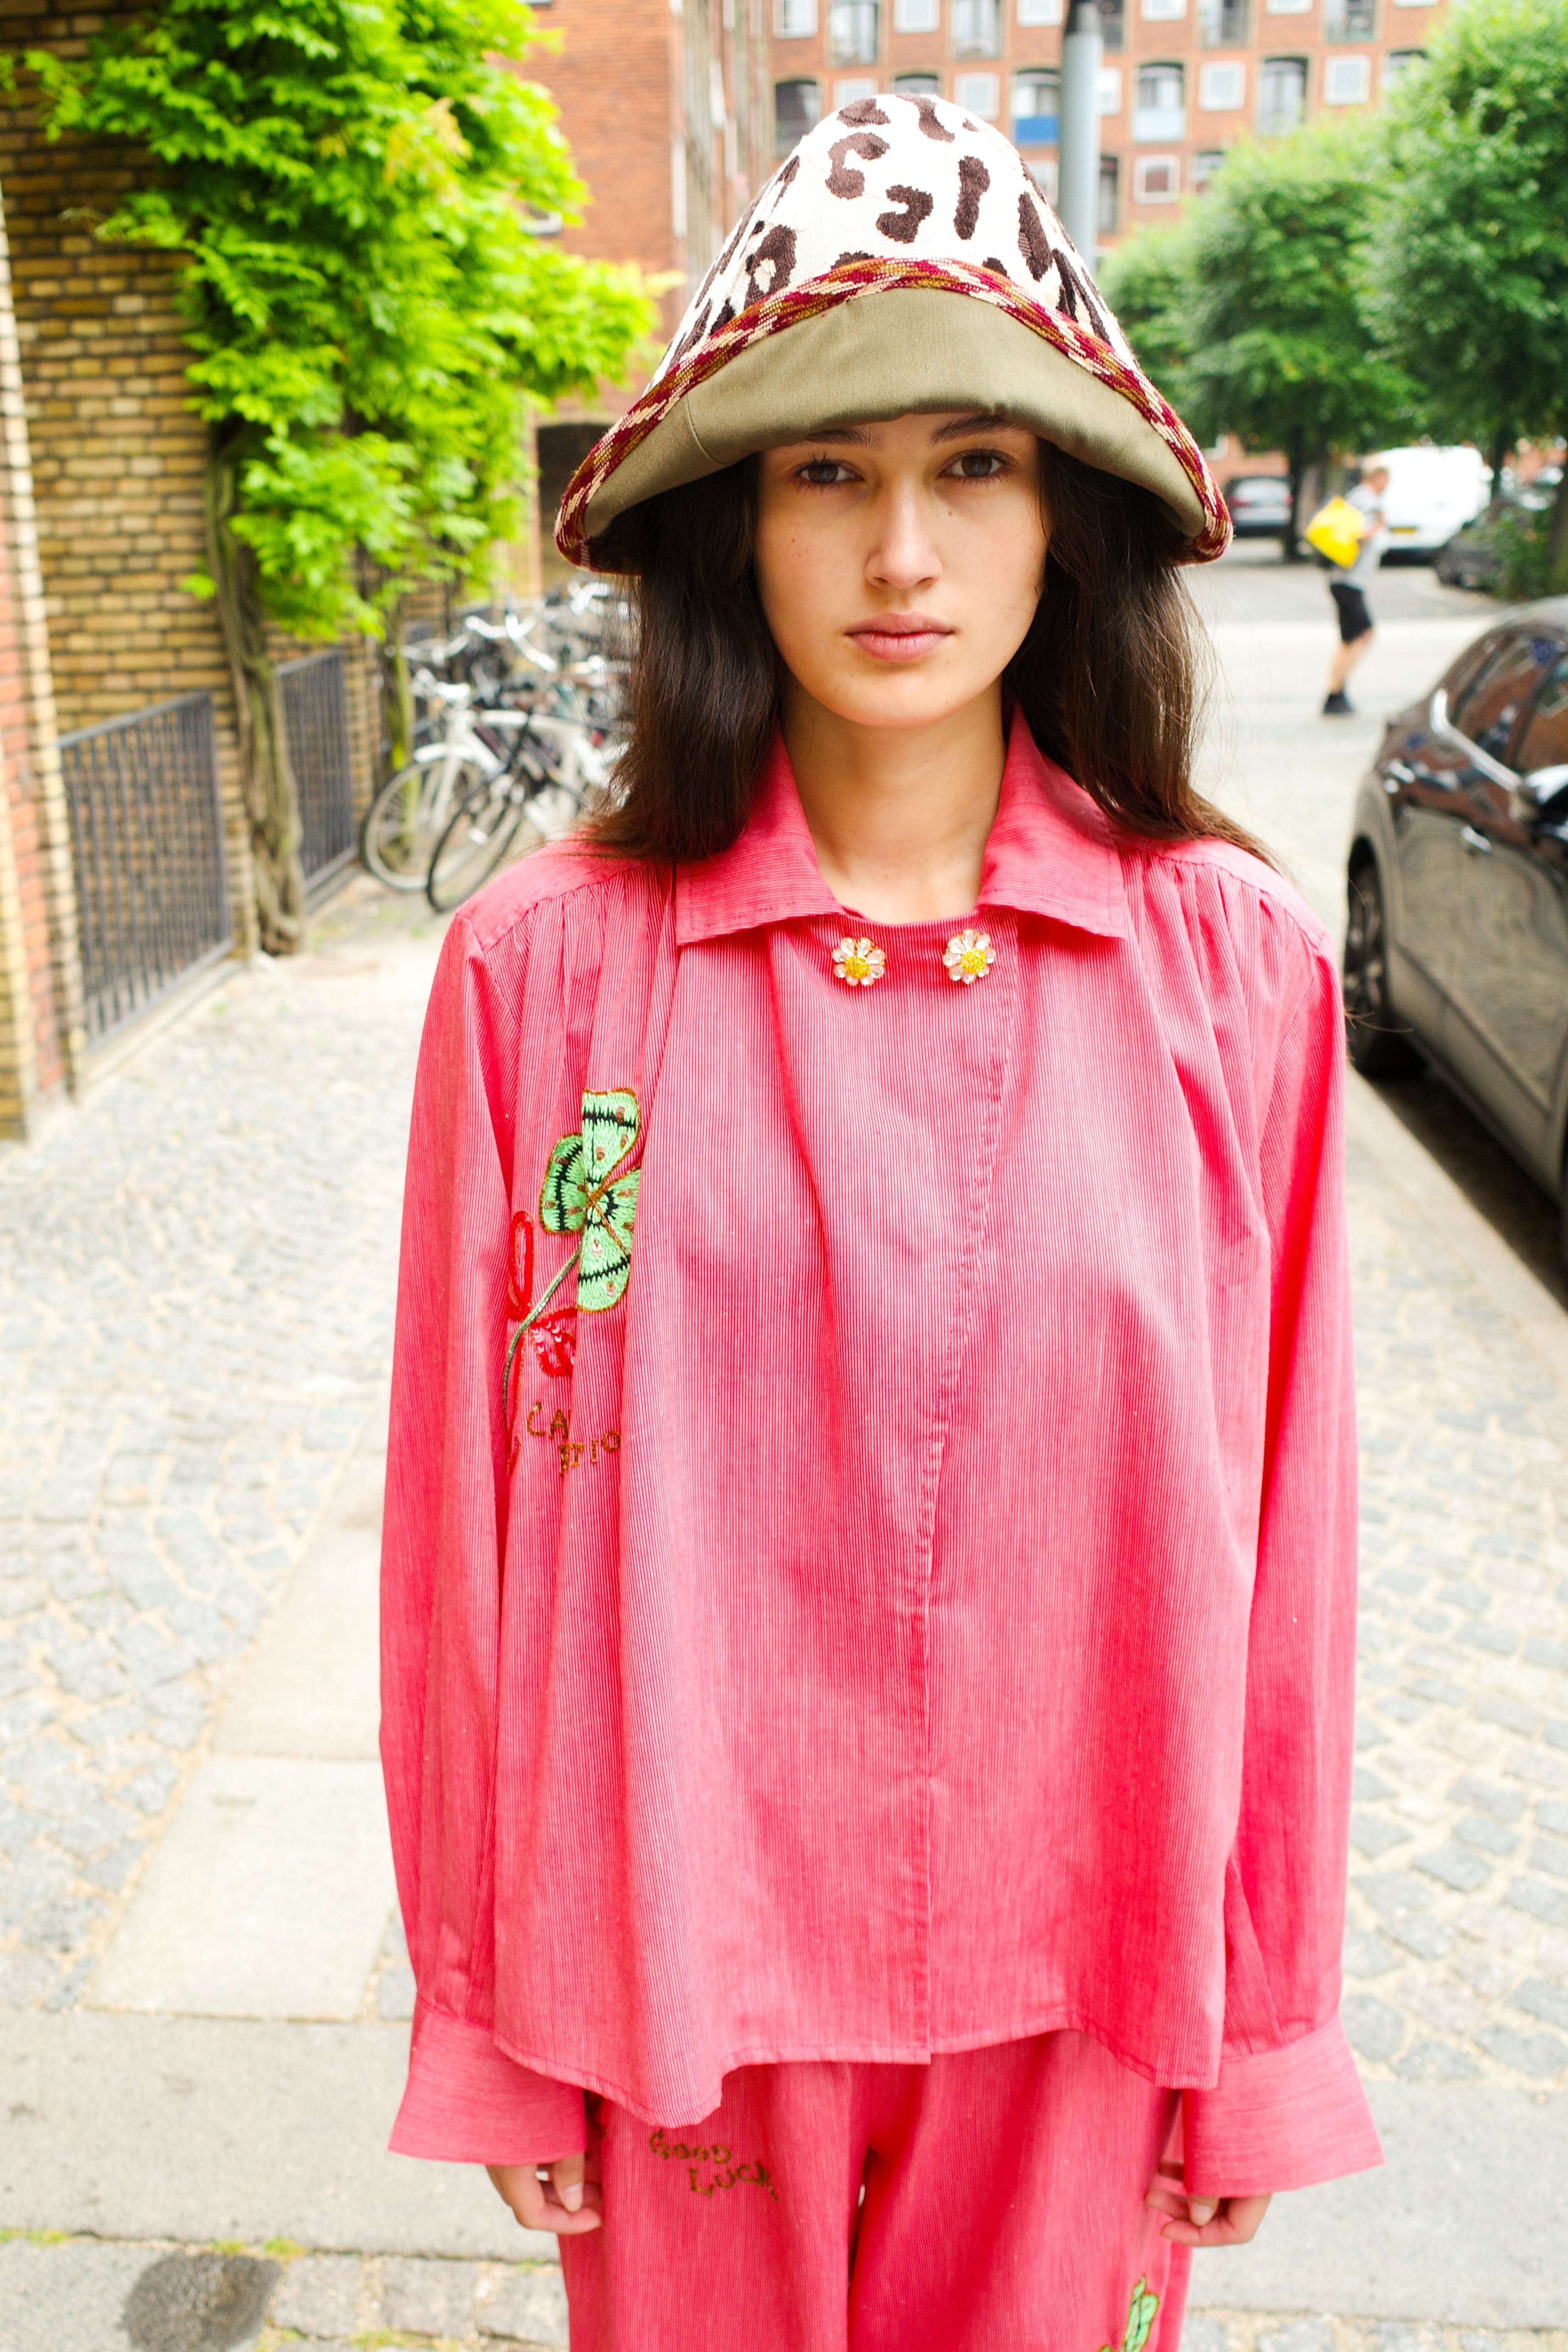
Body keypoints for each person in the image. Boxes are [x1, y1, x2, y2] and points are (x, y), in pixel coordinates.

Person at [380, 95, 1381, 2351]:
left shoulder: (1231, 977)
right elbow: (466, 1537)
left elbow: (1281, 1526)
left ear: (1066, 527)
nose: (899, 550)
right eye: (826, 470)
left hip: (1088, 1973)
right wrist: (484, 2001)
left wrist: (1258, 2007)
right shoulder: (546, 980)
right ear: (734, 524)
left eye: (971, 465)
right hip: (670, 1976)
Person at [1323, 461, 1390, 715]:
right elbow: (1359, 536)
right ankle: (1335, 692)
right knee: (1365, 635)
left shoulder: (1354, 497)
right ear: (1379, 478)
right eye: (1387, 481)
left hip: (1341, 579)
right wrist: (1379, 525)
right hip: (1350, 581)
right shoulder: (1369, 502)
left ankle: (1336, 692)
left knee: (1348, 640)